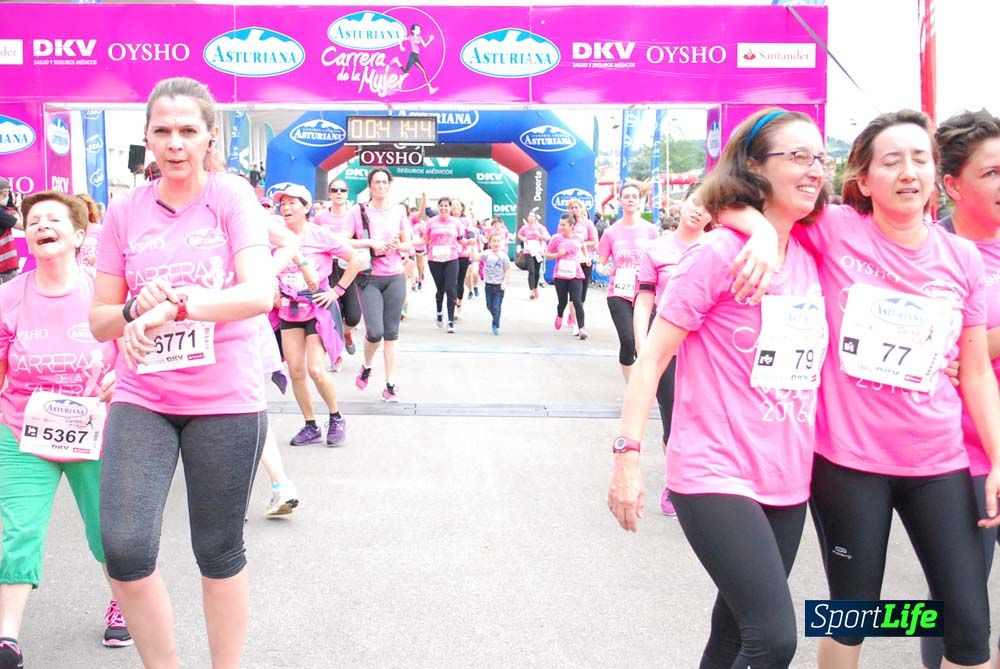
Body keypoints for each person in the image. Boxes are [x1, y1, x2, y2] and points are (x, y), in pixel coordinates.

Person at [721, 109, 1000, 669]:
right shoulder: (834, 228)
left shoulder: (961, 258)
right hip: (849, 463)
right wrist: (755, 231)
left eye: (919, 158)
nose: (907, 171)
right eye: (890, 160)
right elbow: (723, 198)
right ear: (863, 179)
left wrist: (997, 458)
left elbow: (974, 371)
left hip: (940, 463)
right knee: (855, 611)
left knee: (967, 626)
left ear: (935, 173)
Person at [608, 108, 829, 668]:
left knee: (733, 633)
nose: (814, 169)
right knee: (773, 639)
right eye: (797, 156)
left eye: (820, 158)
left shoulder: (813, 250)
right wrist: (627, 460)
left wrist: (762, 227)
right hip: (713, 470)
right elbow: (653, 358)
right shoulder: (715, 255)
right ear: (755, 167)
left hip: (786, 474)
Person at [89, 76, 274, 668]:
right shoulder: (123, 211)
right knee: (124, 549)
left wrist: (177, 305)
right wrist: (132, 310)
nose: (175, 143)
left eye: (188, 131)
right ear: (146, 138)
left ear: (209, 137)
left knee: (217, 549)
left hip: (224, 397)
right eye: (162, 131)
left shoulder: (230, 197)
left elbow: (258, 293)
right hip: (143, 393)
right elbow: (99, 322)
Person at [0, 192, 130, 669]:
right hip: (22, 431)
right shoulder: (9, 295)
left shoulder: (105, 293)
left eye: (54, 219)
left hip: (96, 431)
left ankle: (123, 603)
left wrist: (125, 378)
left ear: (79, 235)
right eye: (34, 221)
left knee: (107, 533)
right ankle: (6, 638)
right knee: (19, 531)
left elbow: (138, 348)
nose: (42, 226)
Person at [920, 109, 1000, 669]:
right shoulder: (928, 251)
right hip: (963, 454)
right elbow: (940, 354)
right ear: (951, 184)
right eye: (993, 172)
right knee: (957, 606)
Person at [632, 181, 713, 516]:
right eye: (694, 201)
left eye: (707, 205)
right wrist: (642, 345)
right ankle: (675, 480)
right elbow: (644, 299)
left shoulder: (718, 249)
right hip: (668, 351)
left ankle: (704, 481)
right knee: (674, 419)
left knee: (704, 420)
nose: (697, 210)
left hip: (708, 355)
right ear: (682, 202)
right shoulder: (656, 250)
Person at [275, 184, 360, 446]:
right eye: (283, 204)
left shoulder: (320, 235)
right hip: (289, 309)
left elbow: (355, 259)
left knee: (315, 368)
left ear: (306, 207)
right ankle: (310, 426)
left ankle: (336, 417)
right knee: (297, 370)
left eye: (292, 203)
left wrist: (336, 291)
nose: (286, 208)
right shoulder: (275, 236)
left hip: (317, 308)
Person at [352, 167, 411, 402]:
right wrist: (372, 243)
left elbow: (409, 244)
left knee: (391, 334)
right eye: (376, 182)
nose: (381, 186)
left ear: (390, 185)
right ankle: (366, 365)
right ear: (370, 185)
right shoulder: (359, 211)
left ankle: (390, 384)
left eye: (385, 182)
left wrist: (396, 246)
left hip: (395, 275)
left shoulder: (399, 211)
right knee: (374, 333)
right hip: (370, 277)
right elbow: (344, 241)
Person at [597, 181, 659, 382]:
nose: (631, 199)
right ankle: (631, 385)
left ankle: (645, 383)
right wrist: (602, 268)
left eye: (634, 196)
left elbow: (659, 259)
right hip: (619, 293)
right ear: (620, 200)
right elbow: (601, 262)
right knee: (628, 340)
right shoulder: (611, 232)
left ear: (640, 201)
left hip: (645, 293)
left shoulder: (651, 230)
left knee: (645, 342)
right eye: (627, 196)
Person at [315, 178, 363, 356]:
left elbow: (360, 240)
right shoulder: (320, 217)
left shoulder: (354, 215)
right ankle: (335, 351)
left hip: (349, 265)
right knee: (333, 310)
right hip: (327, 267)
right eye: (334, 190)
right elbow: (311, 237)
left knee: (353, 316)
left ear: (347, 194)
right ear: (329, 193)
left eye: (342, 190)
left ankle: (345, 333)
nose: (338, 193)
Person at [417, 197, 463, 333]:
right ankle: (439, 311)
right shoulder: (431, 222)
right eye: (441, 206)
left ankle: (450, 321)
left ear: (450, 208)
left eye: (446, 206)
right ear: (438, 208)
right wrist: (409, 244)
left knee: (451, 288)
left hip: (452, 258)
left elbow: (461, 239)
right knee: (440, 289)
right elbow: (425, 240)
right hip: (435, 259)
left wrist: (470, 242)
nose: (443, 208)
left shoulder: (456, 222)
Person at [546, 214, 588, 340]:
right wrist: (557, 255)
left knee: (577, 301)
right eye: (560, 224)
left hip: (576, 274)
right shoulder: (556, 238)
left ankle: (581, 328)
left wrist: (586, 258)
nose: (561, 227)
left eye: (564, 225)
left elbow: (583, 245)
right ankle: (559, 314)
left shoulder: (578, 238)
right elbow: (547, 255)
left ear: (571, 226)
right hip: (561, 274)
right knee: (562, 302)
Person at [567, 198, 597, 335]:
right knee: (574, 295)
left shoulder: (588, 224)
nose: (574, 210)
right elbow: (561, 239)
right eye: (572, 207)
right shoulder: (566, 224)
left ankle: (575, 316)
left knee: (582, 295)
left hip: (585, 261)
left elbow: (595, 242)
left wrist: (582, 244)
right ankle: (576, 324)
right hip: (571, 262)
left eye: (576, 207)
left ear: (581, 209)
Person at [391, 24, 437, 95]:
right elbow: (401, 40)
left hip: (416, 56)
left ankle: (397, 61)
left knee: (405, 71)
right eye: (417, 29)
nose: (419, 31)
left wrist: (430, 40)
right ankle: (430, 88)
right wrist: (401, 47)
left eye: (419, 29)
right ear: (413, 31)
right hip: (413, 56)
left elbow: (425, 45)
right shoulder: (411, 37)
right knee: (424, 71)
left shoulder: (420, 37)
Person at [481, 232, 511, 335]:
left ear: (501, 243)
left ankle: (496, 325)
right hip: (488, 284)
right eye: (494, 241)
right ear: (489, 243)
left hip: (499, 286)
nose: (496, 243)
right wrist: (471, 247)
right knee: (489, 305)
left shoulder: (504, 256)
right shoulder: (486, 254)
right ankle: (495, 316)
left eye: (498, 241)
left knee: (496, 306)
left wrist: (505, 282)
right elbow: (476, 257)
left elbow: (507, 270)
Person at [517, 209, 550, 300]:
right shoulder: (525, 227)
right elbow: (519, 234)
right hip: (528, 250)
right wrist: (523, 238)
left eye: (532, 216)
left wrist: (538, 235)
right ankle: (531, 290)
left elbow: (547, 237)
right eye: (529, 216)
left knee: (536, 271)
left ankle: (535, 287)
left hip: (538, 250)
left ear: (535, 218)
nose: (530, 218)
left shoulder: (540, 227)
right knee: (531, 270)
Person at [76, 194, 103, 269]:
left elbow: (108, 253)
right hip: (74, 275)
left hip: (93, 273)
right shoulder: (70, 230)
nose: (79, 212)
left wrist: (96, 258)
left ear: (89, 211)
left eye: (82, 208)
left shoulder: (99, 229)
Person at [0, 179, 19, 285]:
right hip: (4, 270)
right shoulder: (1, 214)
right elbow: (25, 226)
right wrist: (20, 206)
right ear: (6, 192)